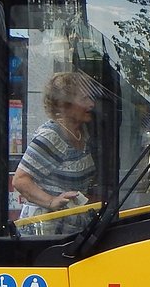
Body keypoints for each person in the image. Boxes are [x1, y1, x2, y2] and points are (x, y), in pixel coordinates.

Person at [12, 72, 96, 235]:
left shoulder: (82, 133)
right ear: (64, 104)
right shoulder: (51, 136)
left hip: (71, 230)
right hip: (46, 233)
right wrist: (51, 201)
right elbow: (20, 180)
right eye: (84, 99)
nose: (91, 104)